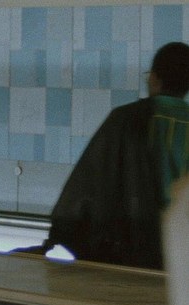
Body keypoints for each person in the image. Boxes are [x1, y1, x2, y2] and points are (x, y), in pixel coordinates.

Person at [43, 41, 189, 269]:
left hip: (129, 255)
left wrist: (59, 234)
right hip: (181, 256)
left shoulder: (125, 120)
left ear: (155, 78)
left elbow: (85, 185)